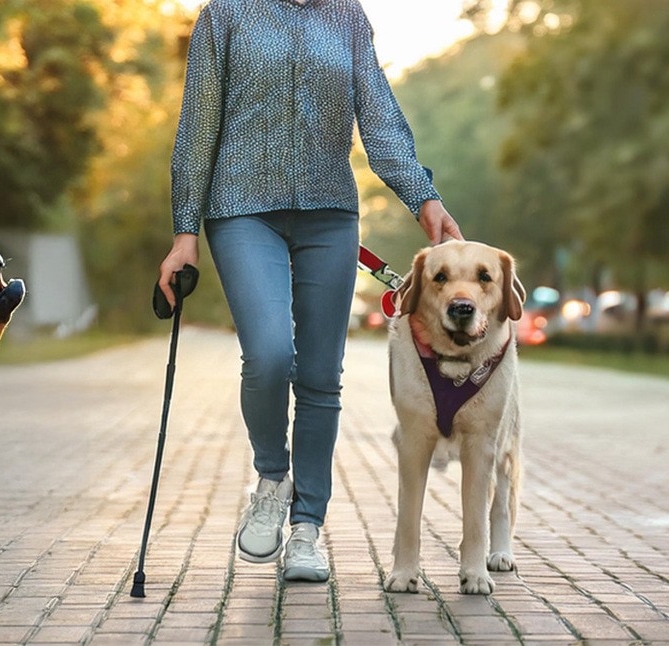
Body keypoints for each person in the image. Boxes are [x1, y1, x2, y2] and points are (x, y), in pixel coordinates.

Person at [157, 0, 463, 582]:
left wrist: (422, 197)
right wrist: (184, 233)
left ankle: (306, 528)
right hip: (242, 212)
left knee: (321, 375)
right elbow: (197, 128)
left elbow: (379, 117)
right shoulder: (225, 15)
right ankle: (272, 479)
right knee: (270, 355)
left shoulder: (347, 18)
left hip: (330, 217)